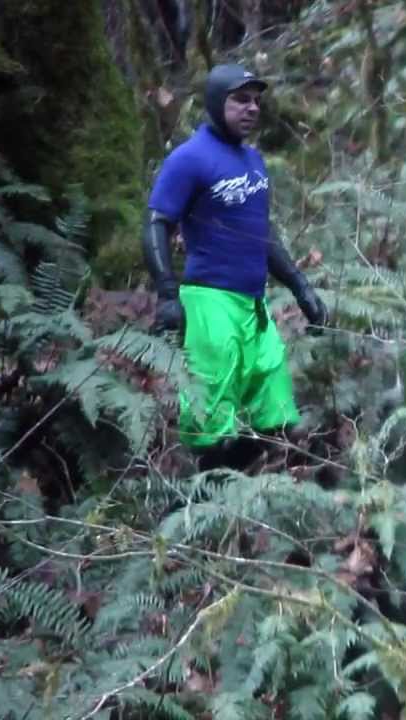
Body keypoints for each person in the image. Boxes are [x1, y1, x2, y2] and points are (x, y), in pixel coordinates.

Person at [142, 63, 327, 472]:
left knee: (277, 415)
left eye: (256, 100)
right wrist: (167, 294)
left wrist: (300, 286)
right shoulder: (189, 159)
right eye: (240, 99)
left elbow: (262, 233)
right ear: (215, 102)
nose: (252, 108)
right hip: (210, 302)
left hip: (253, 305)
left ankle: (236, 488)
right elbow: (156, 223)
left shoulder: (253, 161)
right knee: (211, 423)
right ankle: (202, 506)